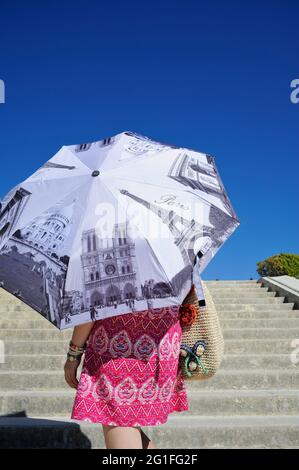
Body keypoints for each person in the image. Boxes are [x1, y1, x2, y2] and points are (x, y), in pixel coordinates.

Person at [64, 302, 189, 449]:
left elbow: (91, 307)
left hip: (118, 353)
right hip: (163, 352)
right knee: (128, 429)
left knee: (121, 425)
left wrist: (74, 353)